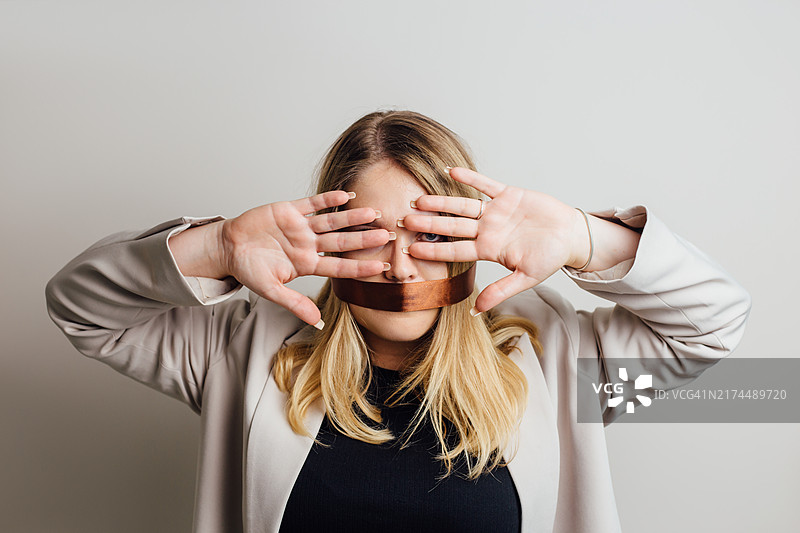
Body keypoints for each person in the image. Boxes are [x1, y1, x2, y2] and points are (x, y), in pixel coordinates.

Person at [45, 110, 751, 533]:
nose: (399, 267)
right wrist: (220, 247)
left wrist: (582, 237)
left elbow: (713, 324)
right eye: (373, 235)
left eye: (430, 234)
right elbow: (81, 308)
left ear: (473, 238)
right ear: (324, 237)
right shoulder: (242, 356)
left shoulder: (562, 371)